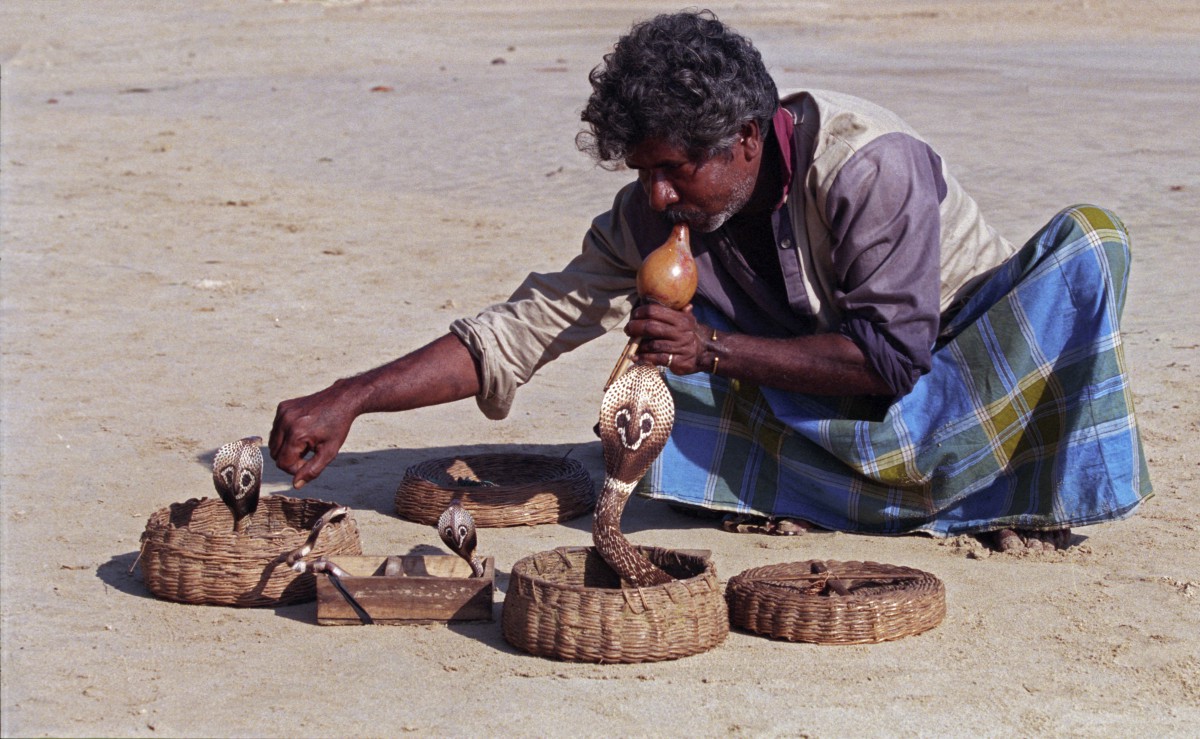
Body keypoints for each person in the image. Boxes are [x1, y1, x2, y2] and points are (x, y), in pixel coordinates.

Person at [270, 10, 1151, 552]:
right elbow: (519, 332)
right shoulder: (651, 214)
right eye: (641, 168)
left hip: (957, 382)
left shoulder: (867, 166)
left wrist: (718, 348)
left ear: (747, 141)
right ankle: (911, 501)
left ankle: (982, 488)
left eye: (675, 168)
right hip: (826, 399)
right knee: (653, 373)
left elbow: (892, 360)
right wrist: (352, 396)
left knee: (1092, 244)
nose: (655, 194)